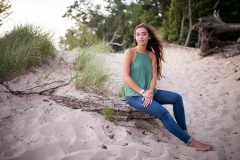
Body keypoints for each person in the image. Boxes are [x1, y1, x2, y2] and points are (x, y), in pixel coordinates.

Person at [121, 23, 214, 151]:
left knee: (177, 98)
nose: (140, 37)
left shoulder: (151, 55)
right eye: (138, 34)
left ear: (149, 37)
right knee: (164, 113)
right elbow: (125, 76)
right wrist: (143, 92)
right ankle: (191, 142)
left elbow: (154, 76)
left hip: (150, 92)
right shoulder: (130, 52)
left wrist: (151, 92)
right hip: (134, 95)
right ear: (135, 37)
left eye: (143, 34)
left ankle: (184, 131)